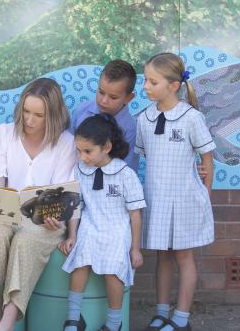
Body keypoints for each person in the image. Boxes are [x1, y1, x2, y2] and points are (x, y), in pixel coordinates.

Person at [0, 78, 78, 331]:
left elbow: (63, 195)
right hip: (9, 214)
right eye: (25, 111)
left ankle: (7, 321)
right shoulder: (3, 133)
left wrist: (56, 217)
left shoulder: (66, 142)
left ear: (53, 116)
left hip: (46, 222)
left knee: (26, 239)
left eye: (38, 115)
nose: (29, 120)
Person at [137, 53, 215, 331]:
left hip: (185, 200)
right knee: (163, 255)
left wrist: (205, 193)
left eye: (152, 81)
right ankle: (160, 312)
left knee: (184, 256)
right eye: (145, 79)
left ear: (172, 85)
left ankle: (181, 318)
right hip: (157, 200)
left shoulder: (192, 118)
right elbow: (147, 156)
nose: (145, 85)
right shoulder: (144, 119)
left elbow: (207, 157)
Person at [60, 114, 145, 331]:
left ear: (106, 147)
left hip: (118, 228)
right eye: (78, 150)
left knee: (113, 269)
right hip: (91, 224)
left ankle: (114, 322)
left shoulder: (125, 174)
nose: (82, 157)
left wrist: (135, 248)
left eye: (88, 151)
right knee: (80, 261)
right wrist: (72, 235)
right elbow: (76, 205)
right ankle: (73, 317)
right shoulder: (80, 170)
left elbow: (135, 214)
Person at [70, 59, 139, 172]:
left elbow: (128, 169)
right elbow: (68, 147)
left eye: (113, 97)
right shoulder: (82, 111)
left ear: (128, 98)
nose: (104, 101)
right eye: (101, 92)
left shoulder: (130, 128)